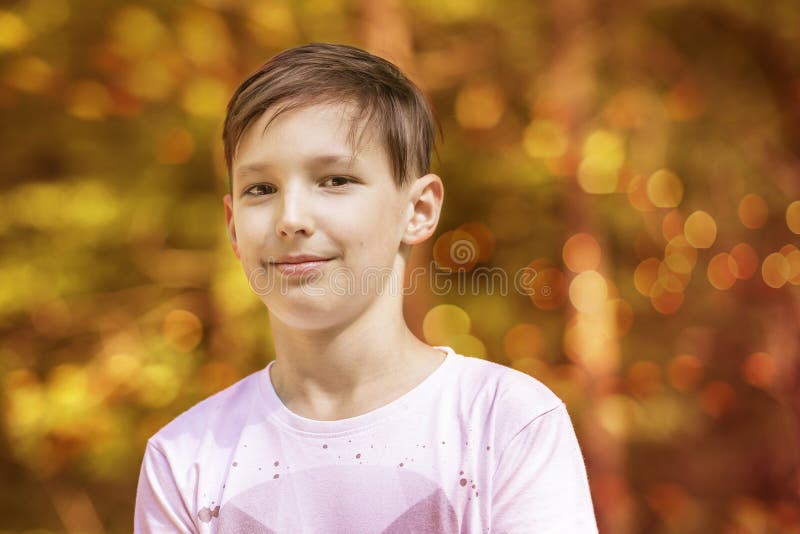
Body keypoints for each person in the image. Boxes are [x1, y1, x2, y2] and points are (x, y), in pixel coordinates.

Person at [134, 42, 598, 533]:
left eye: (335, 180)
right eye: (261, 189)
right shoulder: (184, 461)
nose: (291, 219)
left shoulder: (505, 425)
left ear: (417, 210)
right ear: (232, 224)